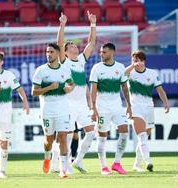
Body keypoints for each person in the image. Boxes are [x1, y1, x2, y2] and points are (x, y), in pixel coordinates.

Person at [57, 11, 96, 173]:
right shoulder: (64, 62)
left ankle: (78, 161)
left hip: (82, 105)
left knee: (91, 133)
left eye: (75, 45)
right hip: (68, 104)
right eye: (71, 46)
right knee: (66, 135)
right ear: (65, 51)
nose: (75, 46)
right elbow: (59, 43)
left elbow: (92, 43)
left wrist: (92, 24)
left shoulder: (81, 60)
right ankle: (63, 165)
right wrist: (62, 24)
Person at [31, 43, 75, 178]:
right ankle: (46, 158)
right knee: (48, 141)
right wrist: (49, 88)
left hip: (63, 109)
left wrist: (69, 88)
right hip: (47, 110)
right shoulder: (41, 70)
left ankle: (63, 169)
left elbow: (72, 84)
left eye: (51, 52)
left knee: (62, 137)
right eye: (47, 52)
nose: (48, 54)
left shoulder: (65, 70)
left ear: (57, 53)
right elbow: (34, 92)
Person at [89, 42, 132, 175]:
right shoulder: (96, 68)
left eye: (104, 52)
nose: (101, 54)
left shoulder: (120, 67)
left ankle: (117, 163)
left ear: (112, 52)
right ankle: (103, 167)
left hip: (117, 106)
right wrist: (93, 109)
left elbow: (124, 87)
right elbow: (93, 91)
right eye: (101, 52)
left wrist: (129, 106)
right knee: (102, 136)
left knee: (125, 131)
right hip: (102, 108)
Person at [125, 50, 170, 172]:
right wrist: (132, 66)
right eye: (134, 60)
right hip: (135, 108)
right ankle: (148, 162)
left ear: (143, 61)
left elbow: (160, 90)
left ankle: (136, 164)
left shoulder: (152, 73)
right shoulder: (130, 73)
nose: (136, 62)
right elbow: (122, 74)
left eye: (138, 60)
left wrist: (166, 103)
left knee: (144, 138)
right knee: (142, 137)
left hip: (149, 107)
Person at [0, 51, 30, 178]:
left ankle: (2, 170)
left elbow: (19, 89)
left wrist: (25, 102)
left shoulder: (9, 75)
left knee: (4, 141)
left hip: (6, 114)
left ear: (1, 62)